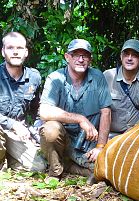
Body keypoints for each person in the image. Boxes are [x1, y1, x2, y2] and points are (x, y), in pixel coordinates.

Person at [39, 39, 112, 180]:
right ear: (67, 57)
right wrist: (80, 118)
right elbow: (44, 111)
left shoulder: (97, 77)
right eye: (75, 55)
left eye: (85, 56)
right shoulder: (55, 78)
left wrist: (100, 146)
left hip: (87, 142)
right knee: (50, 130)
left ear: (90, 59)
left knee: (105, 169)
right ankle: (55, 172)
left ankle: (69, 165)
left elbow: (106, 112)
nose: (80, 59)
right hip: (63, 138)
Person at [0, 32, 46, 172]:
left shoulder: (33, 77)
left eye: (19, 48)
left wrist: (35, 129)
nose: (15, 52)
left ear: (25, 52)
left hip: (16, 134)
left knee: (39, 167)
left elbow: (36, 110)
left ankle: (8, 158)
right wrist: (13, 124)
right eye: (10, 48)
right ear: (3, 51)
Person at [103, 39, 139, 137]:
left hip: (138, 134)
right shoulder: (108, 76)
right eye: (126, 54)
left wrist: (133, 130)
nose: (129, 58)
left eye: (134, 55)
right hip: (110, 135)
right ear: (121, 56)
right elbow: (98, 109)